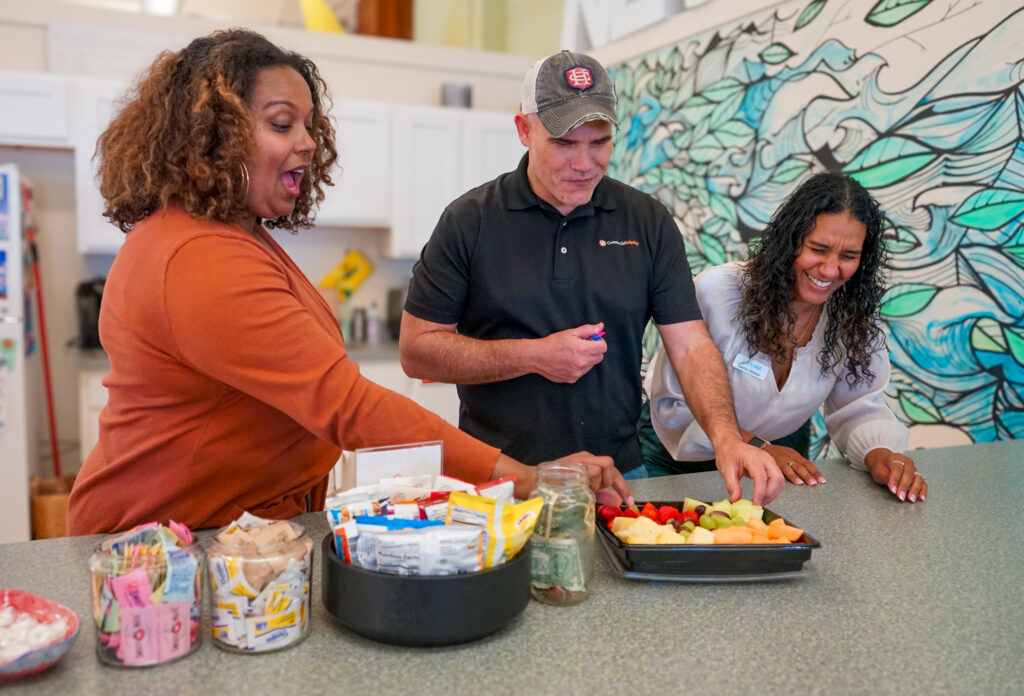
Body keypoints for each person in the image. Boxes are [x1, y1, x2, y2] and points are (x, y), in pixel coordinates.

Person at [67, 30, 629, 535]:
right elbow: (346, 403)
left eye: (308, 125)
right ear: (212, 137)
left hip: (233, 525)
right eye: (282, 123)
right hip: (162, 539)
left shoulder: (236, 233)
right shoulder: (197, 255)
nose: (309, 143)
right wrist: (527, 479)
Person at [399, 50, 783, 505]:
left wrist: (726, 438)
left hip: (618, 477)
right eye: (564, 143)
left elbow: (691, 344)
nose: (584, 164)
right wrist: (534, 356)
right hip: (498, 478)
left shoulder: (647, 221)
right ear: (525, 130)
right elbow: (417, 351)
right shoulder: (470, 220)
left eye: (598, 141)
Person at [645, 172, 928, 503]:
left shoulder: (852, 315)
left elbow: (858, 405)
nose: (829, 269)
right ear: (790, 239)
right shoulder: (719, 292)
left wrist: (882, 456)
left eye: (848, 256)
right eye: (818, 249)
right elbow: (673, 408)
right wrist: (757, 447)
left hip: (776, 462)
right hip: (676, 458)